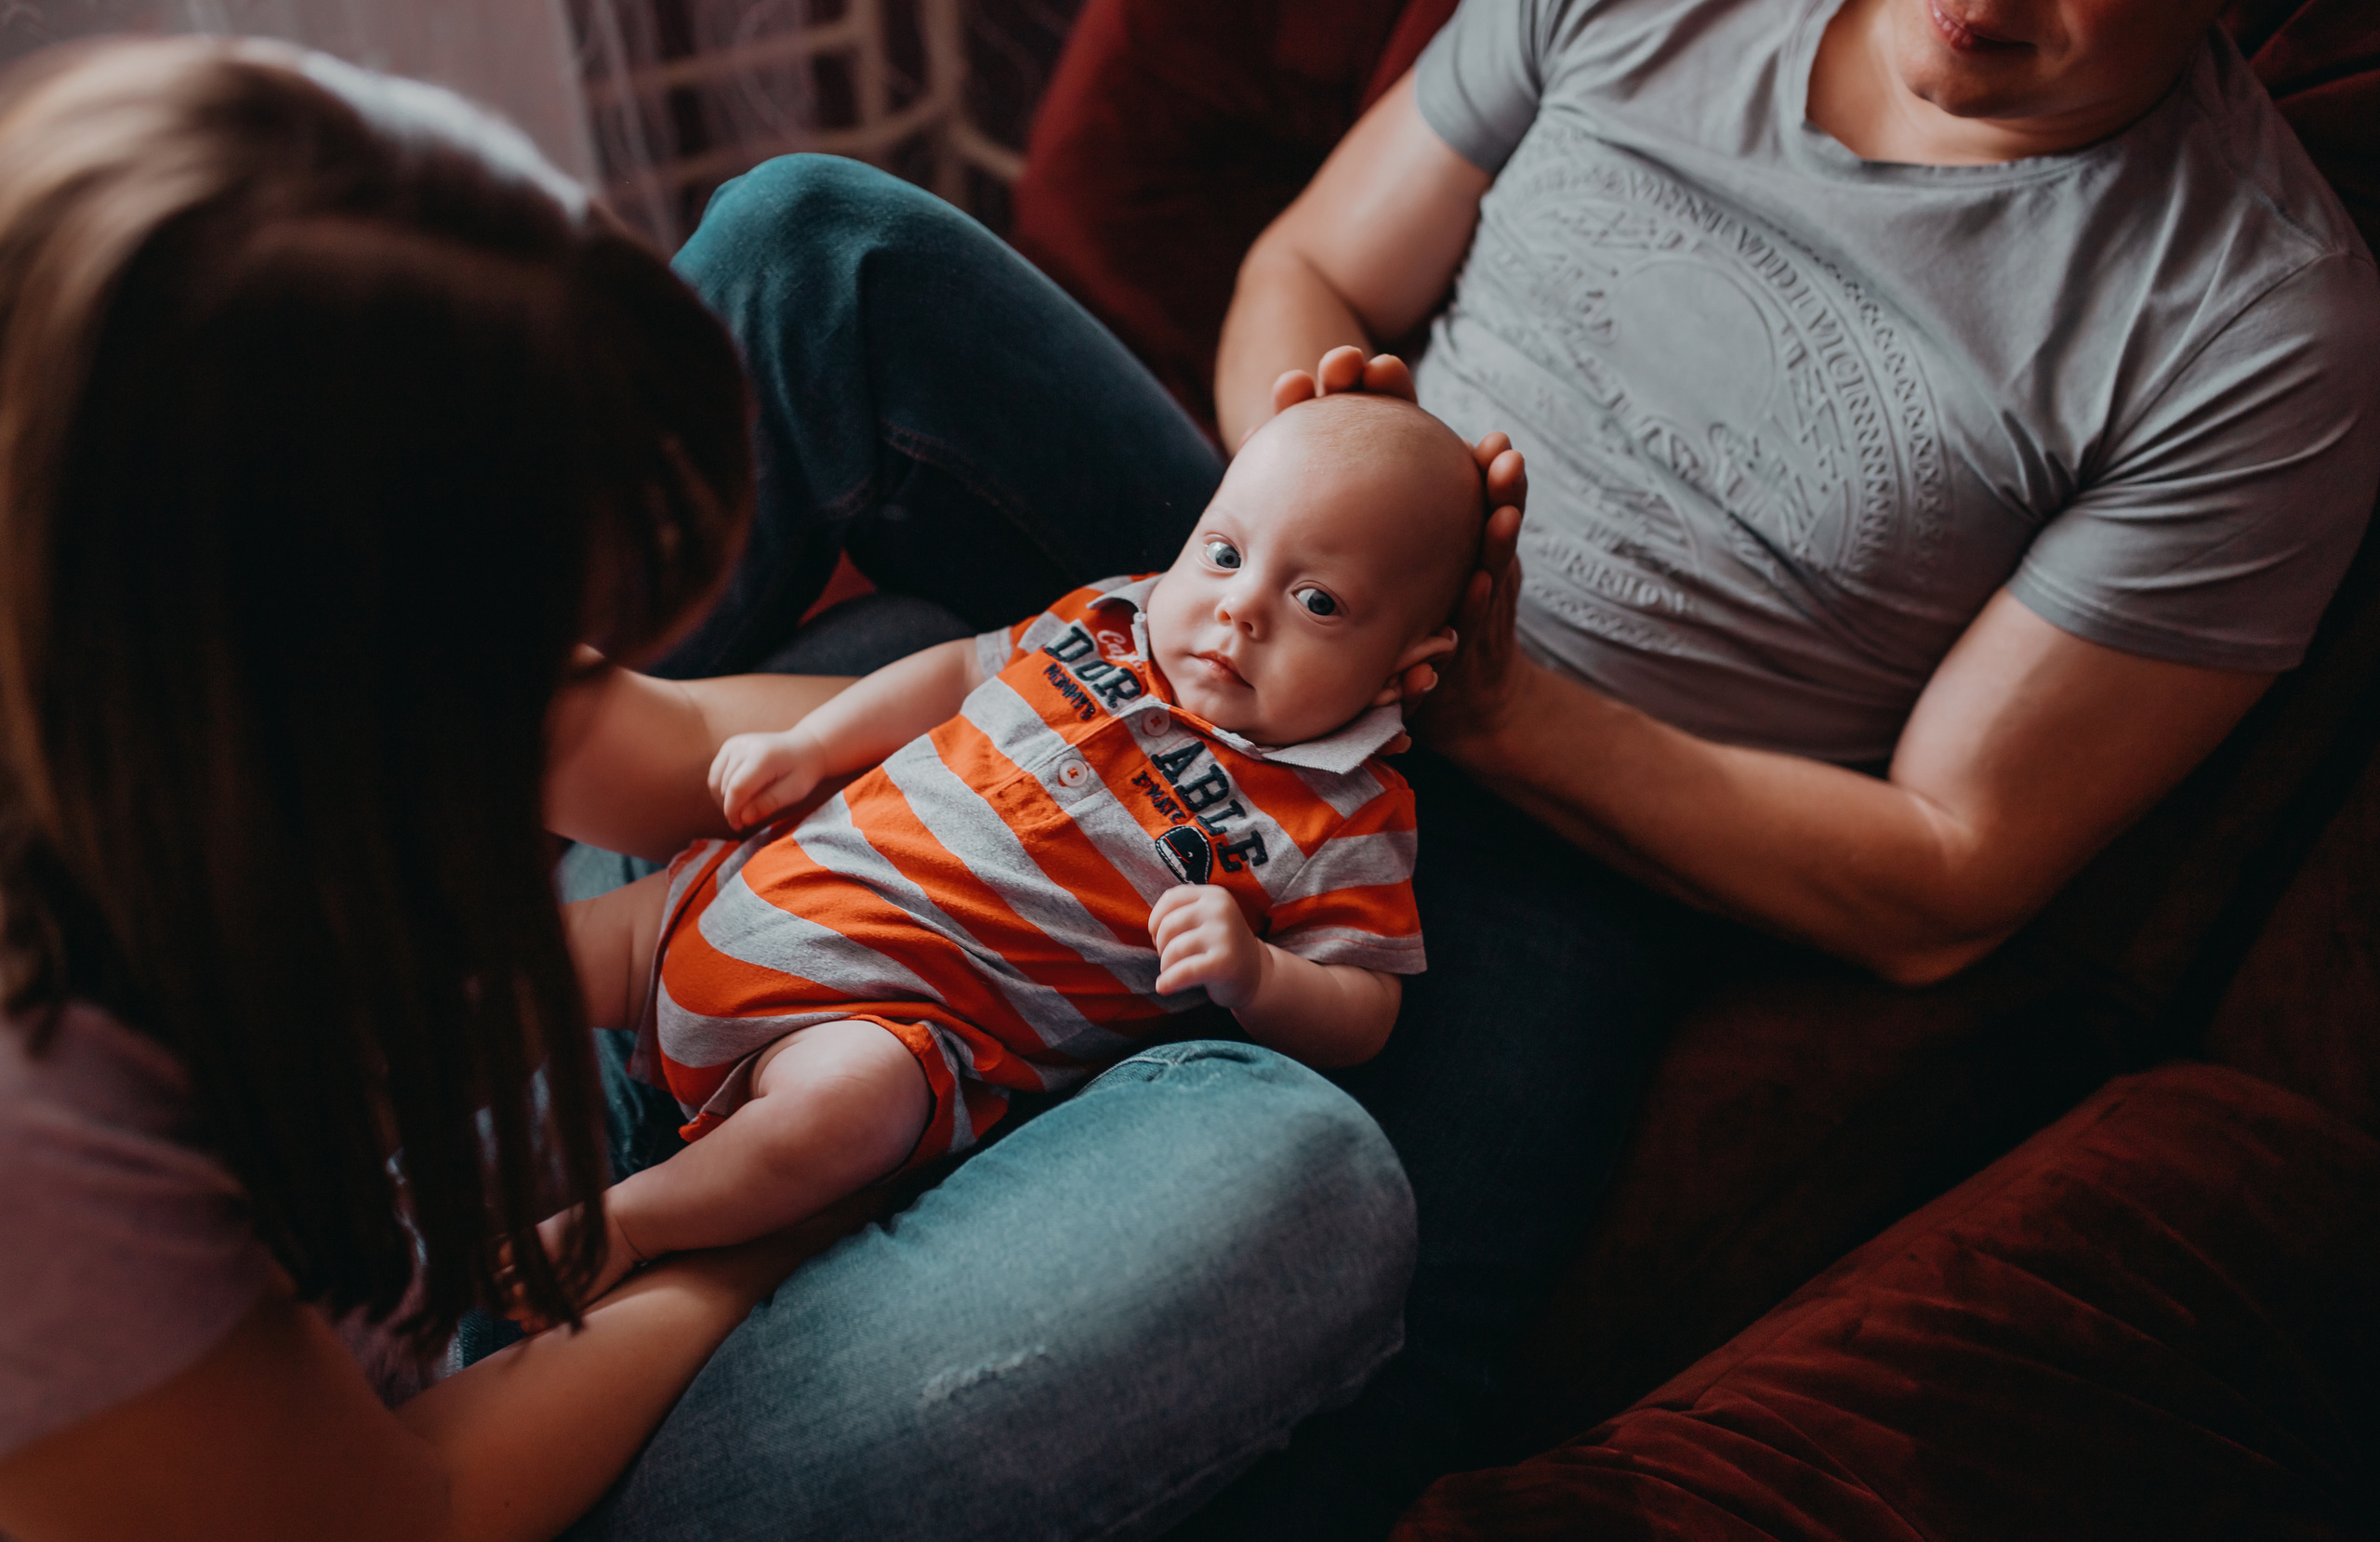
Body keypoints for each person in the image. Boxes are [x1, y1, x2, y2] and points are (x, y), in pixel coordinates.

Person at [534, 0, 2377, 1535]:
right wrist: (1302, 526)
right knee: (812, 241)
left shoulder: (2249, 324)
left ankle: (629, 1400)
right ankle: (405, 851)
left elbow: (1945, 867)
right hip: (1252, 588)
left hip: (1553, 848)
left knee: (1347, 1312)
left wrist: (1491, 712)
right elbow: (1320, 260)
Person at [0, 38, 1421, 1542]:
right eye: (515, 643)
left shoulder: (178, 679)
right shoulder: (46, 1139)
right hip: (442, 1457)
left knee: (895, 648)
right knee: (1302, 1176)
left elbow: (667, 743)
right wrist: (765, 1228)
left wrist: (983, 774)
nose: (570, 660)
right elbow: (412, 1505)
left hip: (469, 1170)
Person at [515, 392, 1483, 1316]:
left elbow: (1365, 1011)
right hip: (726, 894)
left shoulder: (1345, 816)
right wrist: (810, 744)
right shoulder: (1108, 620)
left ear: (1407, 666)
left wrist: (1256, 972)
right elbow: (947, 674)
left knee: (855, 1115)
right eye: (1223, 553)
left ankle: (637, 1223)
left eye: (1317, 602)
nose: (1241, 611)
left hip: (868, 1030)